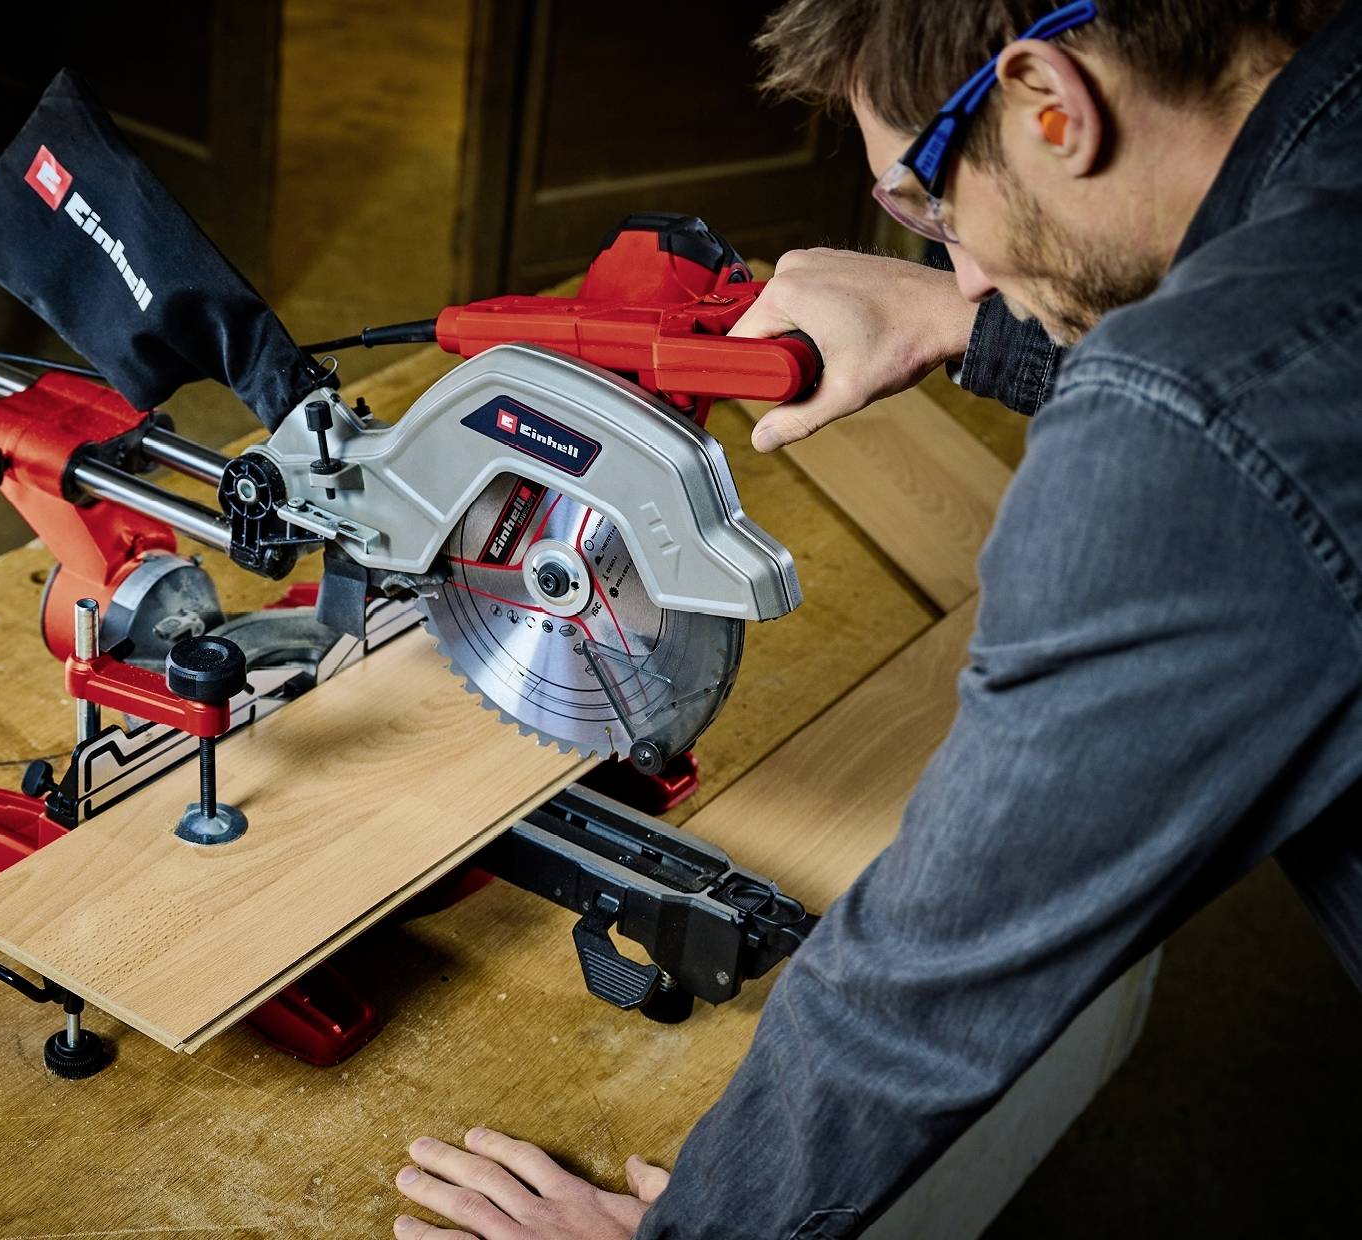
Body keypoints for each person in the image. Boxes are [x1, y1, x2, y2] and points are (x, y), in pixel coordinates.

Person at [389, 1, 1362, 1236]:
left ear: (1049, 104)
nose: (959, 264)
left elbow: (934, 972)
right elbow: (1283, 372)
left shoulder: (1178, 438)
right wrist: (973, 323)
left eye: (928, 205)